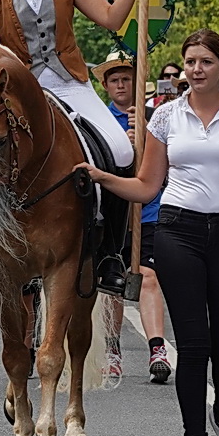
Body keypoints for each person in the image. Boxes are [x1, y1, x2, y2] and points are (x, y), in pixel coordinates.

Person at [79, 29, 219, 436]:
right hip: (178, 231)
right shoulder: (166, 117)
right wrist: (102, 176)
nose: (196, 69)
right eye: (190, 61)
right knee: (193, 346)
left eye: (206, 61)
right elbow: (147, 185)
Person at [0, 0, 155, 295]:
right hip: (20, 90)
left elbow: (111, 18)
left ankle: (108, 255)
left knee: (122, 150)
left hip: (69, 82)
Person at [93, 53, 172, 383]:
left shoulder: (155, 117)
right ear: (106, 85)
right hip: (115, 212)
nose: (121, 85)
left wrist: (145, 137)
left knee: (148, 276)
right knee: (113, 283)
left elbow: (170, 160)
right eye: (115, 80)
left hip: (149, 210)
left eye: (127, 79)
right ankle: (112, 351)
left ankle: (158, 350)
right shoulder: (97, 119)